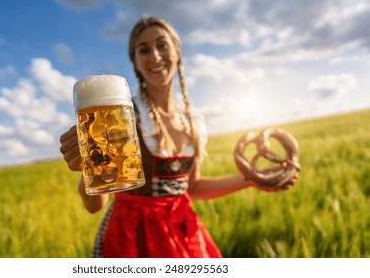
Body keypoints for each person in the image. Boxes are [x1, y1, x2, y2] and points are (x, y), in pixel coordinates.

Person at [59, 16, 299, 258]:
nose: (154, 56)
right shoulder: (121, 116)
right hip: (132, 236)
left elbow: (191, 186)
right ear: (136, 62)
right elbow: (94, 206)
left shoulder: (194, 119)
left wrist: (252, 179)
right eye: (144, 50)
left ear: (177, 51)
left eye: (162, 45)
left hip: (182, 230)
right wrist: (88, 169)